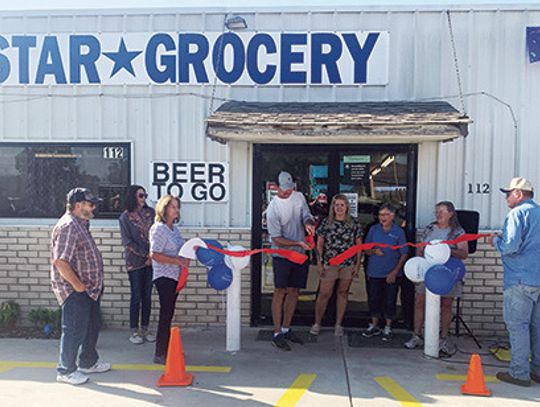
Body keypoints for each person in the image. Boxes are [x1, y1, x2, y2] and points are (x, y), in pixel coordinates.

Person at [51, 188, 111, 385]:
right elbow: (60, 261)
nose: (94, 207)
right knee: (74, 329)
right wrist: (78, 286)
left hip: (90, 289)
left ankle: (88, 361)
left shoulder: (81, 224)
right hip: (75, 290)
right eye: (90, 203)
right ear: (78, 205)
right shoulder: (68, 226)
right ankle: (66, 370)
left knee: (91, 327)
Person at [489, 177, 540, 387]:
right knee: (537, 328)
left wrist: (494, 239)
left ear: (518, 194)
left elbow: (510, 246)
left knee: (518, 327)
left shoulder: (517, 213)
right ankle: (537, 370)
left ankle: (519, 373)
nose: (506, 198)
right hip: (537, 278)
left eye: (508, 193)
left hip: (519, 279)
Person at [404, 201, 468, 357]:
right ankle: (417, 335)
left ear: (451, 213)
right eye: (436, 211)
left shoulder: (458, 232)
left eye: (441, 211)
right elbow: (420, 249)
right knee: (419, 301)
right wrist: (420, 258)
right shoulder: (430, 229)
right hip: (428, 270)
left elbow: (464, 253)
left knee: (446, 304)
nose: (438, 214)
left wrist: (445, 250)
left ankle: (443, 338)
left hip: (448, 272)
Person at [266, 171, 315, 351]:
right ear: (276, 187)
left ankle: (287, 328)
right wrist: (297, 242)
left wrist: (309, 223)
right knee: (280, 291)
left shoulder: (299, 197)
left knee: (294, 290)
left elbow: (306, 215)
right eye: (284, 189)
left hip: (300, 254)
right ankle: (276, 332)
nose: (287, 192)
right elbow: (276, 238)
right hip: (282, 255)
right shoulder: (273, 208)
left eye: (290, 189)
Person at [310, 194, 363, 337]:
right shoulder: (326, 222)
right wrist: (319, 263)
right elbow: (319, 244)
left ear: (347, 207)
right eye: (336, 205)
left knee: (343, 293)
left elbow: (359, 246)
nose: (339, 208)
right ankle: (317, 322)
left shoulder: (354, 223)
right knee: (324, 293)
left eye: (342, 205)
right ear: (332, 207)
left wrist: (357, 265)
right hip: (329, 263)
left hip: (348, 264)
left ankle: (338, 324)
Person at [149, 194, 189, 364]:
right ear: (164, 208)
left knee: (169, 313)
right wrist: (176, 261)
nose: (176, 210)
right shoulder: (159, 228)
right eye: (173, 206)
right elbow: (154, 254)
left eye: (177, 207)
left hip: (175, 275)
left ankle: (166, 350)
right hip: (164, 276)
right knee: (166, 314)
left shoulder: (174, 229)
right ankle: (160, 353)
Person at [363, 204, 408, 341]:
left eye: (386, 215)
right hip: (374, 271)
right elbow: (365, 248)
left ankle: (388, 327)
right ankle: (374, 325)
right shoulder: (373, 229)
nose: (382, 217)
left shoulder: (399, 232)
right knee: (373, 299)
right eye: (381, 215)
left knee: (390, 300)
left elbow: (404, 253)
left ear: (393, 216)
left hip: (391, 273)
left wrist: (395, 272)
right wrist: (373, 251)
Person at [119, 185, 156, 345]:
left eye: (145, 195)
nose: (143, 199)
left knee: (147, 296)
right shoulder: (125, 218)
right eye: (141, 195)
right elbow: (127, 242)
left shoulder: (151, 213)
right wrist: (144, 255)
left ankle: (145, 328)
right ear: (133, 196)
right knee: (136, 296)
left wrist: (152, 255)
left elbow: (156, 234)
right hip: (135, 263)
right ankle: (134, 331)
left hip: (151, 261)